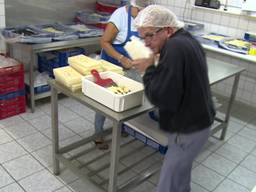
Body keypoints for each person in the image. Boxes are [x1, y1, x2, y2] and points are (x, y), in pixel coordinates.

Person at [132, 5, 216, 192]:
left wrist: (148, 70)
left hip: (188, 129)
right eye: (142, 36)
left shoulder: (175, 47)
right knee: (180, 174)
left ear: (168, 30)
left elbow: (161, 97)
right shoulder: (184, 39)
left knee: (168, 183)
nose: (145, 43)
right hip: (198, 120)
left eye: (149, 35)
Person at [94, 0, 153, 150]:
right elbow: (104, 42)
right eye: (140, 11)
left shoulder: (147, 17)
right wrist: (121, 58)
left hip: (130, 66)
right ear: (134, 6)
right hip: (111, 64)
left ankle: (120, 126)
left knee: (125, 97)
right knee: (104, 100)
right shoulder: (120, 15)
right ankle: (98, 134)